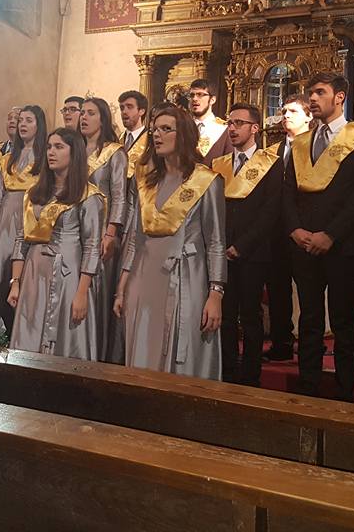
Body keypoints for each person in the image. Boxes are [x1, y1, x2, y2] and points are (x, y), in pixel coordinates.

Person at [284, 72, 354, 402]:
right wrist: (295, 229)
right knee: (308, 319)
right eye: (310, 92)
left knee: (343, 321)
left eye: (320, 92)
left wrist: (331, 234)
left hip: (342, 246)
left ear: (340, 97)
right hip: (303, 243)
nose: (312, 98)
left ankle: (344, 390)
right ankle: (307, 384)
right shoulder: (300, 143)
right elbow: (288, 192)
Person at [115, 106, 226, 380]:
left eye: (166, 129)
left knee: (181, 349)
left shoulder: (206, 181)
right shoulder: (144, 181)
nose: (157, 135)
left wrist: (215, 293)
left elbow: (215, 242)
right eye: (154, 130)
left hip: (186, 275)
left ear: (184, 134)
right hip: (144, 273)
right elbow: (134, 237)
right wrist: (122, 284)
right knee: (143, 345)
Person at [7, 128, 105, 360]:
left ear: (75, 153)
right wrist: (15, 282)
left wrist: (82, 293)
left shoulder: (89, 195)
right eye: (50, 147)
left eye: (59, 147)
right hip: (33, 273)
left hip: (68, 277)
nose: (51, 152)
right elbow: (21, 239)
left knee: (64, 337)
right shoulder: (34, 193)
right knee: (28, 334)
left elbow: (92, 247)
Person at [212, 104, 282, 385]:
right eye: (230, 123)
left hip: (254, 253)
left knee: (251, 316)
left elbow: (271, 211)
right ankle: (226, 369)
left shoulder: (271, 163)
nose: (232, 128)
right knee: (225, 315)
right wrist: (221, 245)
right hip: (221, 252)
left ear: (255, 128)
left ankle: (251, 374)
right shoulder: (219, 165)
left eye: (239, 123)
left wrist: (242, 245)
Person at [0, 105, 47, 333]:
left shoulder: (44, 157)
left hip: (29, 216)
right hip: (5, 218)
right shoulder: (6, 158)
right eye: (21, 120)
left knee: (22, 271)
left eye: (28, 120)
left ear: (39, 125)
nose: (22, 124)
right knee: (0, 270)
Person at [264, 95, 312, 361]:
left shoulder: (316, 146)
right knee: (278, 289)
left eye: (293, 111)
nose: (286, 115)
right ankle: (282, 342)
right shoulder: (273, 149)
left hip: (304, 229)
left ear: (308, 117)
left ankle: (309, 344)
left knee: (307, 292)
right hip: (276, 231)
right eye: (284, 111)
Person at [81, 97, 128, 362]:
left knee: (95, 293)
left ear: (103, 119)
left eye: (91, 113)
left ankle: (95, 352)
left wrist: (111, 232)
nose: (84, 118)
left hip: (101, 232)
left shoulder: (114, 152)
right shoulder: (74, 149)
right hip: (75, 230)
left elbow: (120, 196)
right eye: (82, 113)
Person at [188, 79, 229, 159]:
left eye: (200, 94)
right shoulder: (181, 127)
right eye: (192, 95)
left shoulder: (224, 129)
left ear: (212, 100)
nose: (194, 99)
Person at [118, 90, 149, 180]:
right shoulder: (116, 139)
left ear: (141, 111)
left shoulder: (151, 139)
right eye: (122, 108)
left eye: (129, 107)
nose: (124, 111)